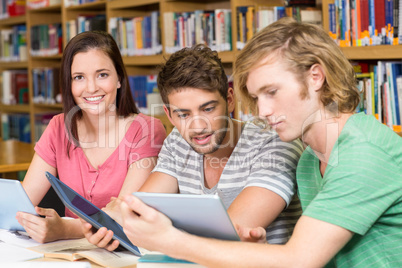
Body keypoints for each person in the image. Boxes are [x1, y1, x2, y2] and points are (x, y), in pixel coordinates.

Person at [117, 18, 402, 267]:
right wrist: (261, 254)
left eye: (272, 92)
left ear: (315, 77)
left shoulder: (363, 153)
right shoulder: (310, 160)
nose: (262, 111)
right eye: (256, 97)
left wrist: (170, 240)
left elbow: (298, 260)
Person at [82, 44, 304, 249]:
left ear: (230, 100)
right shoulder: (179, 141)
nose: (198, 127)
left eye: (208, 109)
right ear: (169, 115)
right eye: (183, 114)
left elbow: (230, 233)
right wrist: (108, 226)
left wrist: (143, 225)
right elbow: (136, 214)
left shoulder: (275, 142)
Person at [16, 31, 166, 243]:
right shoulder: (59, 127)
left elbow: (123, 216)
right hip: (66, 255)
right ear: (69, 84)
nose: (91, 88)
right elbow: (20, 206)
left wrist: (65, 229)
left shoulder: (146, 131)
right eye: (79, 77)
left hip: (125, 255)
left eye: (102, 75)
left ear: (119, 79)